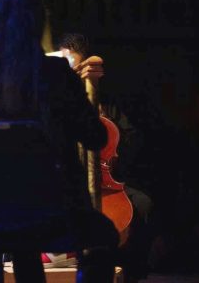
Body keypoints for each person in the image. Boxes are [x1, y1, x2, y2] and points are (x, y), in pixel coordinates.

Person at [0, 0, 119, 283]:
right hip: (56, 206)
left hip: (2, 209)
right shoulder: (56, 71)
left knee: (23, 241)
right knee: (104, 234)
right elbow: (94, 137)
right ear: (39, 18)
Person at [58, 33, 155, 283]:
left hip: (104, 181)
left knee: (142, 204)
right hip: (65, 181)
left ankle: (132, 276)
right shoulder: (55, 101)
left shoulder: (107, 102)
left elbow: (133, 144)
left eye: (76, 69)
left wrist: (103, 118)